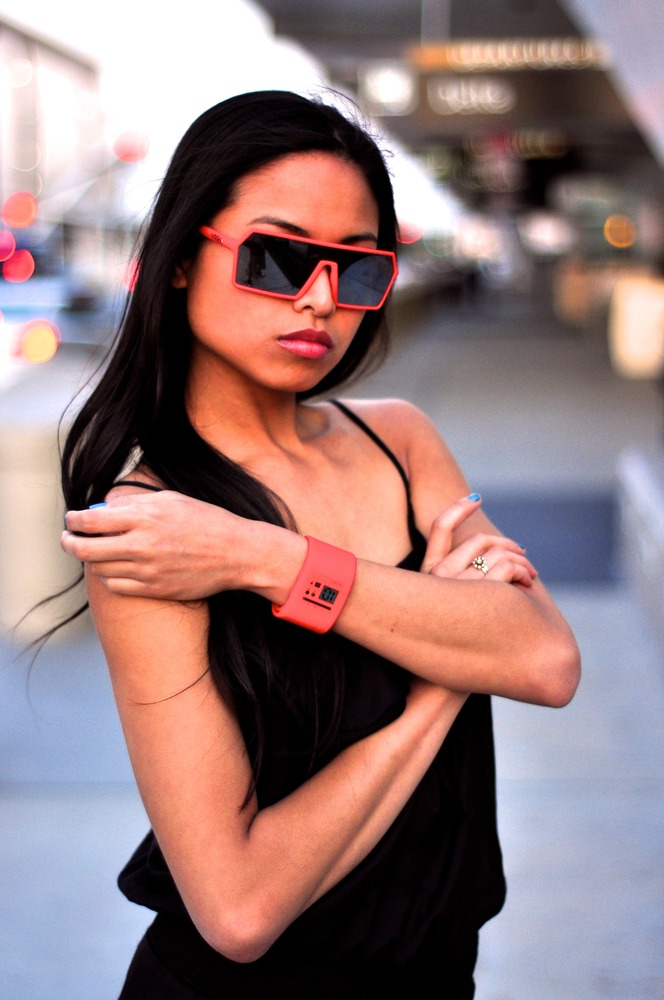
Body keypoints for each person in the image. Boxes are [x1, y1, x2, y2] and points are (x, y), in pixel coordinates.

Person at [59, 90, 580, 999]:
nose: (321, 300)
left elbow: (545, 660)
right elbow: (239, 909)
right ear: (179, 259)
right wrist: (443, 678)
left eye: (359, 270)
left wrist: (262, 559)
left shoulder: (399, 440)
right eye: (278, 256)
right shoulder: (154, 530)